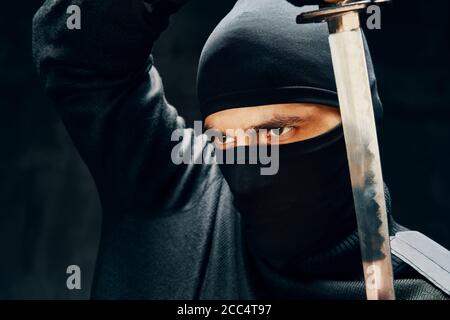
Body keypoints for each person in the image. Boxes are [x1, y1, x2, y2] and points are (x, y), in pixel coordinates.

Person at [32, 0, 450, 299]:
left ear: (356, 120)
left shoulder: (422, 290)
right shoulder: (167, 190)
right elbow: (76, 47)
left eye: (276, 131)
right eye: (224, 139)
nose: (249, 166)